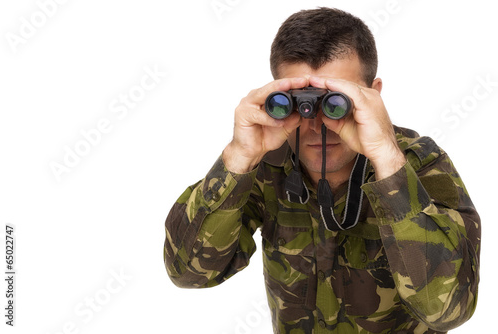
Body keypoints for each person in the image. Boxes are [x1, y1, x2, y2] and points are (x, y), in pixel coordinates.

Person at [163, 7, 480, 334]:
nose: (317, 124)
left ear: (374, 94)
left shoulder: (417, 165)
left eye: (336, 102)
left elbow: (449, 310)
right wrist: (238, 156)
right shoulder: (268, 162)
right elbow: (187, 273)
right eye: (300, 101)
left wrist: (386, 158)